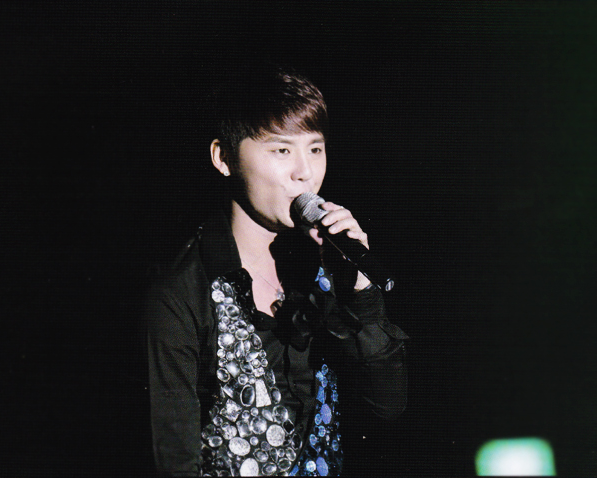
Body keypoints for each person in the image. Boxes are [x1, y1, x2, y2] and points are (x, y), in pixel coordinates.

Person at [145, 65, 408, 477]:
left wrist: (360, 291)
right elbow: (174, 462)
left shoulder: (324, 268)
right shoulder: (182, 295)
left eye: (315, 149)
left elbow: (387, 408)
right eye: (282, 150)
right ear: (224, 158)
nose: (305, 171)